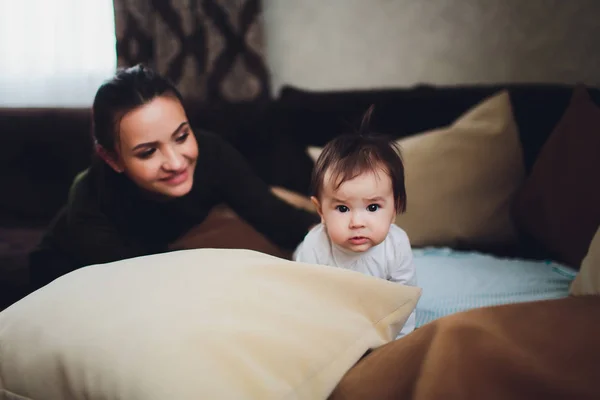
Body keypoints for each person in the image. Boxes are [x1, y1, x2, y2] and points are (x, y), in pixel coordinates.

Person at [29, 64, 319, 289]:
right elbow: (138, 286)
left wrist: (343, 235)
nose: (176, 162)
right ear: (112, 159)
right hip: (66, 272)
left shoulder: (212, 153)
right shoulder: (91, 201)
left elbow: (275, 217)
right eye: (147, 152)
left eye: (181, 136)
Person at [293, 107, 418, 337]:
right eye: (342, 208)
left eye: (372, 207)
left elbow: (404, 303)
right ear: (320, 210)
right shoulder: (315, 247)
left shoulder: (396, 246)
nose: (357, 222)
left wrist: (400, 343)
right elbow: (306, 303)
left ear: (395, 208)